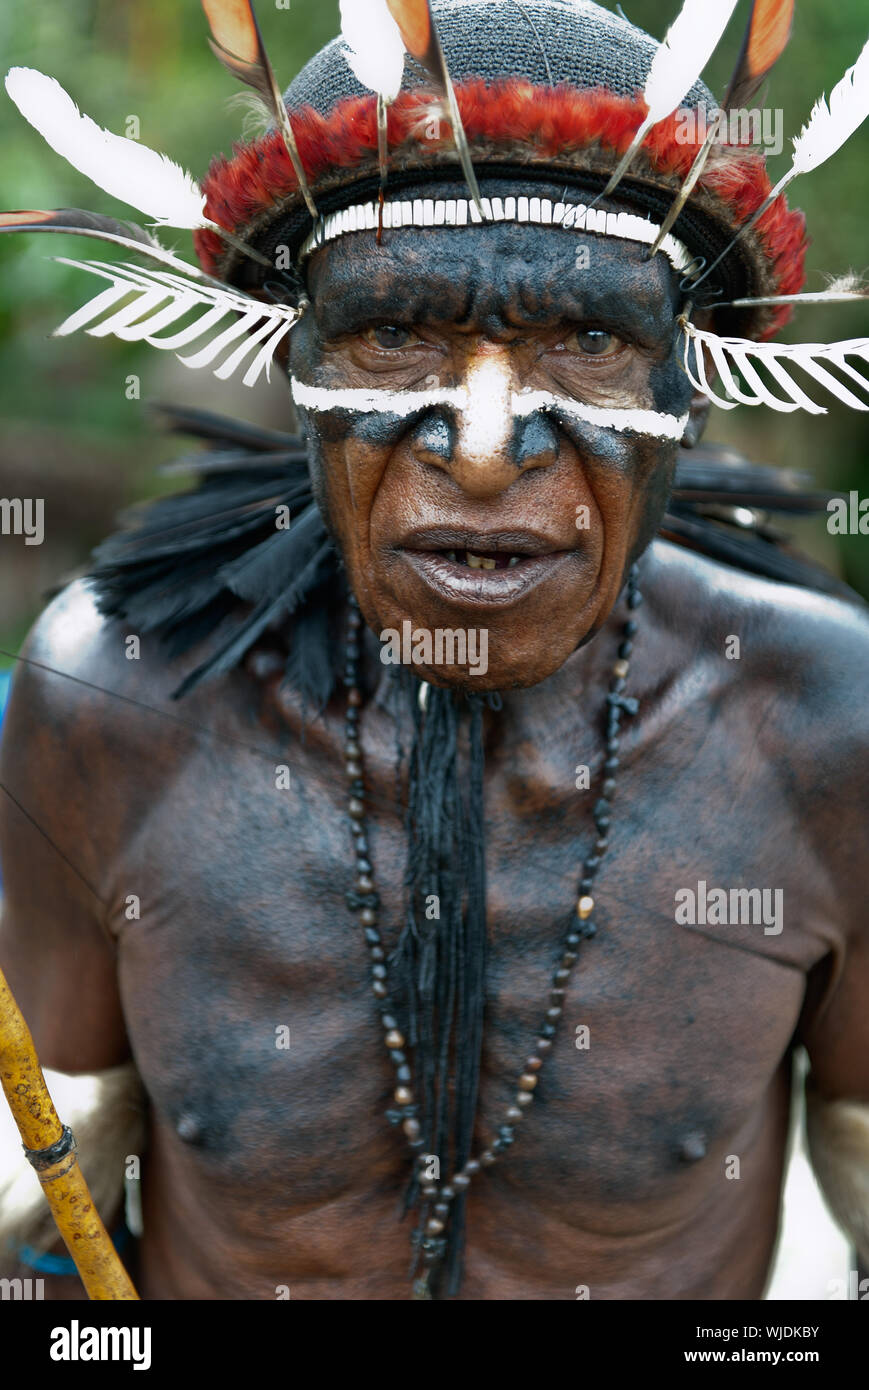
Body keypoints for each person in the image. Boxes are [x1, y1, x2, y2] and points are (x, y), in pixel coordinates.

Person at [0, 0, 867, 1301]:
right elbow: (44, 1216)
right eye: (393, 332)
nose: (477, 445)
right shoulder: (113, 696)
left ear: (687, 392)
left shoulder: (824, 726)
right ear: (295, 364)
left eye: (586, 342)